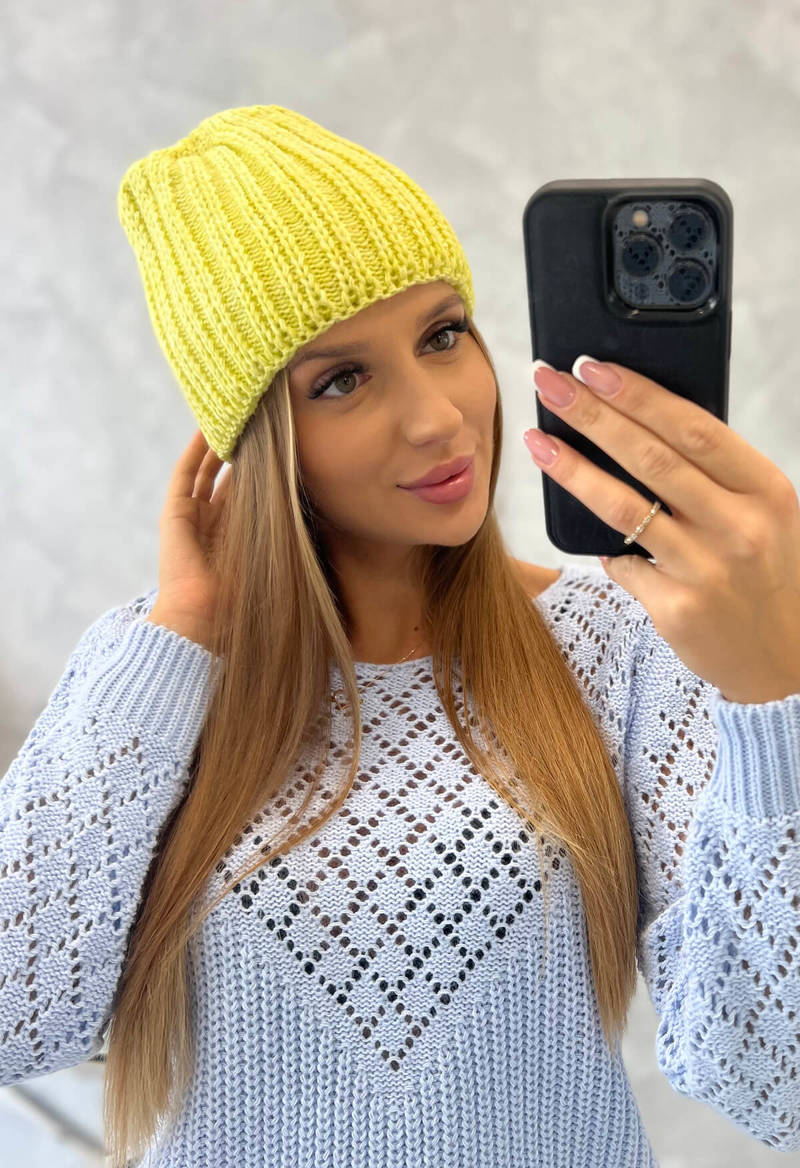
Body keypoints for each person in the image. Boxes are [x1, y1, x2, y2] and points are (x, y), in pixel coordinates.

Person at [2, 106, 797, 1167]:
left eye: (442, 334)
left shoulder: (618, 645)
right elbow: (17, 1018)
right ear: (254, 441)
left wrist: (770, 700)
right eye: (340, 380)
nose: (436, 417)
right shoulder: (154, 673)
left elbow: (776, 1079)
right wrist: (182, 632)